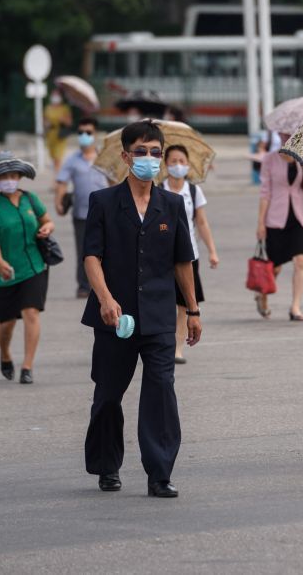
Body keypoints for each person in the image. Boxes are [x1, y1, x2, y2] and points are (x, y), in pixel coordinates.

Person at [82, 120, 200, 497]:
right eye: (141, 152)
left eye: (155, 153)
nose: (149, 159)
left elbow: (183, 262)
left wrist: (193, 310)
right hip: (114, 316)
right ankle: (106, 465)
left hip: (160, 315)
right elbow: (91, 258)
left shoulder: (173, 204)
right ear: (125, 156)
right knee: (108, 394)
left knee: (161, 389)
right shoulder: (103, 202)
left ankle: (160, 473)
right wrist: (105, 299)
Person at [0, 153, 54, 384]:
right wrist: (0, 262)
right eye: (4, 176)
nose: (9, 180)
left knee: (31, 312)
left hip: (34, 266)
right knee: (6, 323)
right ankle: (5, 353)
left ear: (20, 176)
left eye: (13, 175)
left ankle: (27, 366)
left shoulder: (31, 200)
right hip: (5, 272)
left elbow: (47, 220)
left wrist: (47, 228)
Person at [163, 145, 219, 364]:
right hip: (161, 257)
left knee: (184, 304)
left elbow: (202, 223)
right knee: (161, 302)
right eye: (173, 160)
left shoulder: (193, 191)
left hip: (188, 255)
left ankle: (177, 348)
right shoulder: (157, 189)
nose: (178, 165)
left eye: (182, 161)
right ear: (165, 164)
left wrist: (212, 251)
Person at [255, 136, 303, 320]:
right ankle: (262, 295)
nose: (288, 137)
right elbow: (265, 192)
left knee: (300, 261)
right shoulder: (270, 159)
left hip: (299, 216)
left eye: (292, 134)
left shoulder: (302, 157)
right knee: (275, 267)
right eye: (285, 134)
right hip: (275, 217)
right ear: (280, 136)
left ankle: (295, 307)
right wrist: (261, 223)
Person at [55, 117, 109, 298]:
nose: (84, 136)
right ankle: (84, 286)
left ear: (95, 134)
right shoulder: (72, 160)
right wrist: (59, 201)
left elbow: (115, 181)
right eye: (80, 133)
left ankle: (105, 284)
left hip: (105, 213)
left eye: (88, 132)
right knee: (84, 251)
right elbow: (62, 182)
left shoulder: (105, 158)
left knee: (108, 250)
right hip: (81, 213)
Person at [44, 89, 73, 173]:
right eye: (53, 95)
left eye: (57, 95)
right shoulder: (48, 108)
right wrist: (46, 124)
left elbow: (69, 122)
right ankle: (57, 175)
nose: (55, 97)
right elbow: (44, 120)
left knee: (58, 158)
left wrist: (63, 119)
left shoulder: (64, 108)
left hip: (60, 134)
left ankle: (57, 179)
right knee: (53, 157)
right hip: (50, 134)